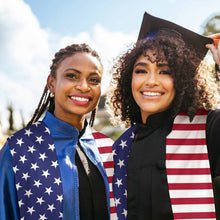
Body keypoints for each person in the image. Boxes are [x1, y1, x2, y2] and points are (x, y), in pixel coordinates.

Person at [107, 12, 220, 220]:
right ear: (128, 78)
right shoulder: (121, 149)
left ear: (184, 81)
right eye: (141, 71)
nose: (151, 81)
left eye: (165, 71)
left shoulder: (209, 129)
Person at [0, 43, 117, 220]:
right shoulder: (18, 149)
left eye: (93, 80)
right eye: (72, 76)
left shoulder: (109, 149)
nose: (84, 86)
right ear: (52, 83)